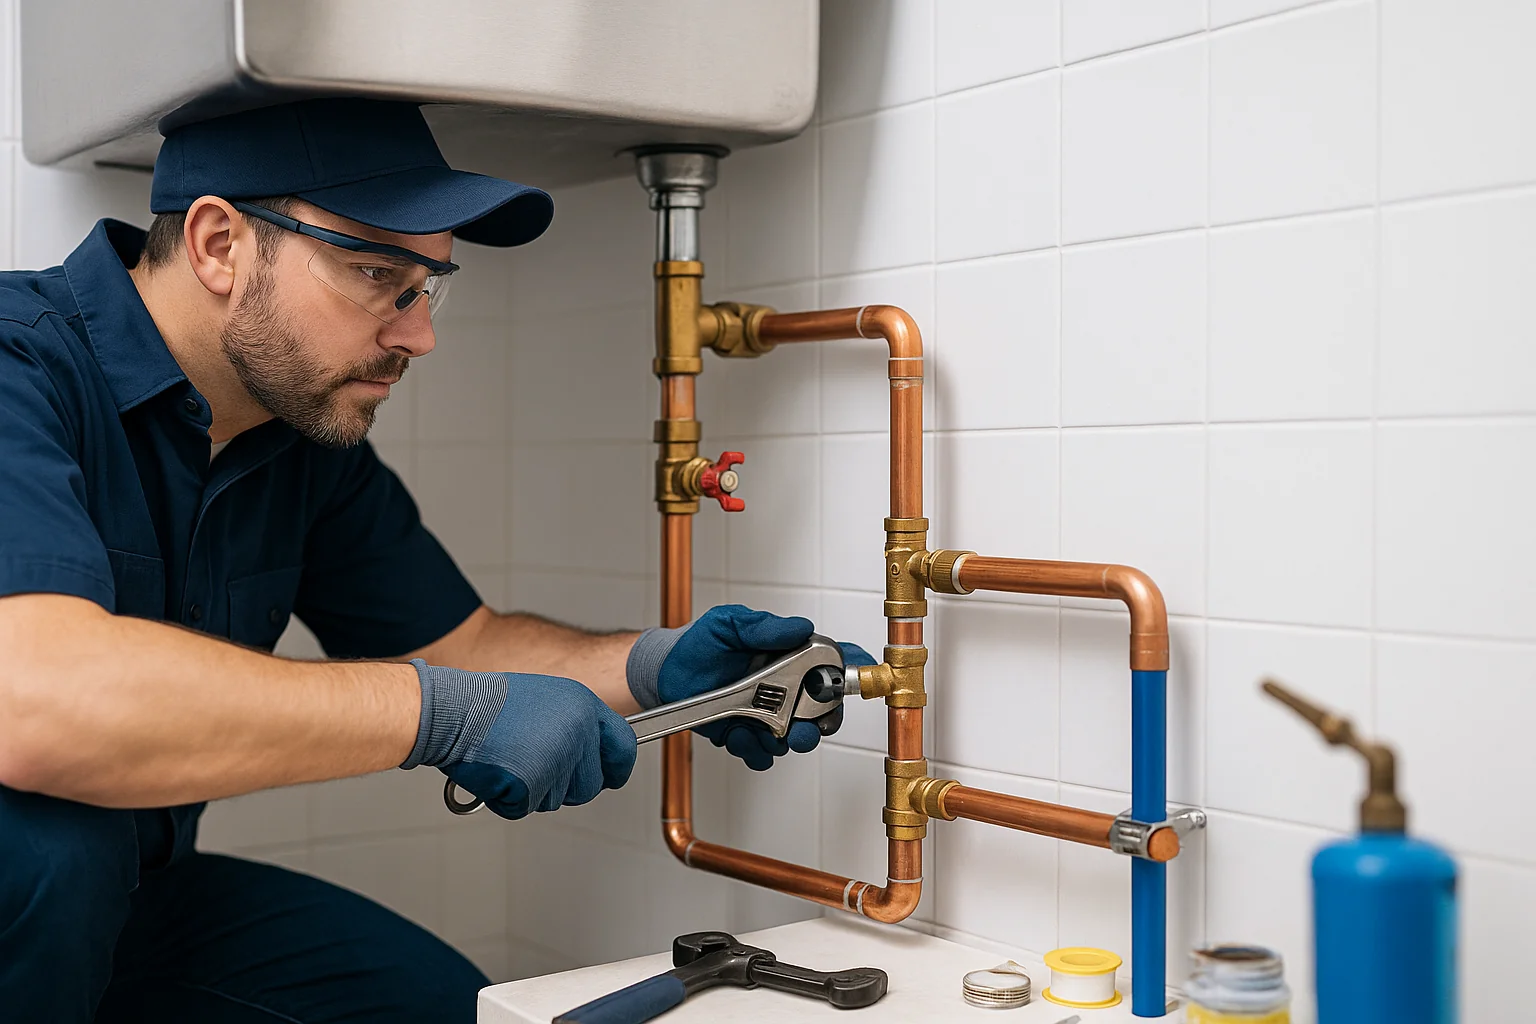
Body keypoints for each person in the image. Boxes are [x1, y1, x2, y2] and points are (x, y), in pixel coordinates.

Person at [0, 98, 872, 1024]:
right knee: (56, 845)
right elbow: (40, 703)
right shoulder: (20, 365)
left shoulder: (291, 439)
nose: (417, 335)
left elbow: (464, 644)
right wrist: (439, 717)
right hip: (38, 886)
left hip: (129, 900)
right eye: (377, 274)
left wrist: (658, 671)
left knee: (453, 1012)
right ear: (219, 244)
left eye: (427, 287)